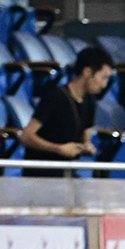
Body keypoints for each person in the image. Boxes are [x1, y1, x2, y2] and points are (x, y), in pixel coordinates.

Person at [17, 45, 113, 176]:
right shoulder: (56, 97)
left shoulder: (90, 101)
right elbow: (26, 136)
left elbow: (85, 132)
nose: (104, 84)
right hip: (42, 173)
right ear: (87, 72)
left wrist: (86, 146)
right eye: (103, 77)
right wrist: (58, 149)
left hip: (66, 172)